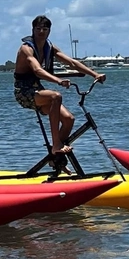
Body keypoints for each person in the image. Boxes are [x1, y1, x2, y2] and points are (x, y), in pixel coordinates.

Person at [13, 15, 105, 155]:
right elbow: (38, 70)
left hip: (38, 91)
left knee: (69, 119)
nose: (41, 32)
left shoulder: (49, 47)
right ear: (33, 30)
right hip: (23, 93)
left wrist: (95, 74)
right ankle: (56, 145)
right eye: (38, 29)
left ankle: (54, 158)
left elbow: (72, 63)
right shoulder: (26, 48)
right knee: (56, 96)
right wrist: (58, 81)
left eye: (45, 29)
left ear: (49, 31)